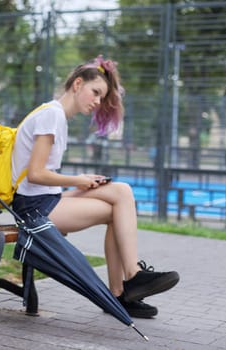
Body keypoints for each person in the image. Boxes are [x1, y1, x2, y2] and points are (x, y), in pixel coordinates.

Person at [11, 55, 179, 319]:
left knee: (121, 191)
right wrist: (78, 180)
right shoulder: (52, 115)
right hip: (33, 209)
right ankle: (124, 286)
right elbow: (35, 174)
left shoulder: (55, 115)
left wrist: (82, 180)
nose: (98, 102)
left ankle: (128, 282)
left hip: (44, 198)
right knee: (117, 210)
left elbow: (41, 176)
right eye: (96, 93)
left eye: (102, 97)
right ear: (78, 84)